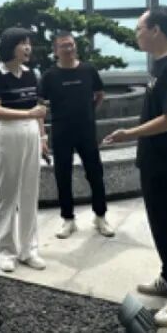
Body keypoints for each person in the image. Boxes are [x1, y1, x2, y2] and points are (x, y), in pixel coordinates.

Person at [103, 7, 167, 327]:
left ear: (156, 30)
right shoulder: (160, 65)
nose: (136, 34)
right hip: (155, 160)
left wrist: (129, 133)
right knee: (160, 226)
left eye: (139, 28)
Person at [39, 30, 114, 239]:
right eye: (64, 45)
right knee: (63, 175)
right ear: (55, 50)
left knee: (95, 173)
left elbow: (100, 94)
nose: (69, 48)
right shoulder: (49, 76)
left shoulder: (88, 70)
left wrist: (89, 112)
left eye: (71, 44)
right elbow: (40, 106)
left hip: (86, 131)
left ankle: (100, 216)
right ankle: (68, 219)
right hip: (61, 131)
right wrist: (42, 136)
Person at [0, 27, 49, 273]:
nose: (28, 47)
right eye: (22, 43)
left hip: (31, 132)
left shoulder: (32, 74)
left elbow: (38, 108)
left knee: (30, 192)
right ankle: (6, 250)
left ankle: (28, 249)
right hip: (9, 133)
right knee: (8, 193)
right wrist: (28, 114)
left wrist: (42, 136)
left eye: (28, 43)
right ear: (9, 47)